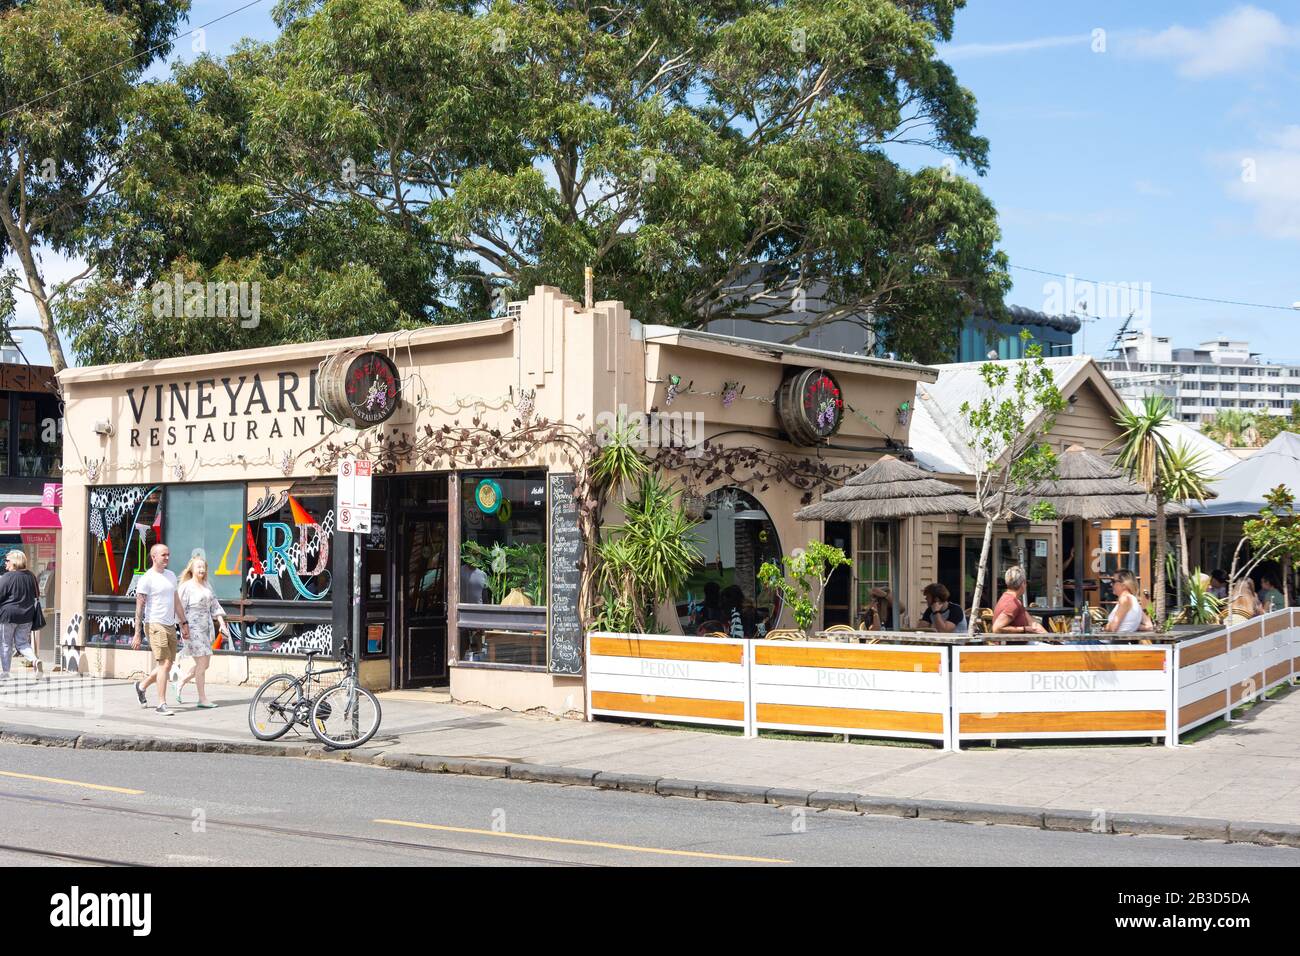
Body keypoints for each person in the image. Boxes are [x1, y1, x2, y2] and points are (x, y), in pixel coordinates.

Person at [132, 542, 190, 715]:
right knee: (164, 663)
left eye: (168, 554)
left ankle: (141, 686)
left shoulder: (171, 576)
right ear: (153, 557)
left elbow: (176, 601)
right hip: (154, 624)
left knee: (168, 664)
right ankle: (161, 704)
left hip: (170, 624)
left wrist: (183, 623)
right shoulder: (146, 579)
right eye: (163, 555)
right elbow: (139, 608)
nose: (167, 558)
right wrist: (137, 633)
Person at [175, 555, 228, 708]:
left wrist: (222, 624)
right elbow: (179, 608)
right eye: (198, 566)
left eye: (203, 566)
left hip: (206, 627)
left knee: (204, 664)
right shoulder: (186, 586)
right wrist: (182, 626)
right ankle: (202, 698)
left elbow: (215, 606)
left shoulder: (206, 585)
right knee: (202, 662)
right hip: (192, 627)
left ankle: (180, 683)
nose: (202, 569)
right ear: (191, 569)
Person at [0, 550, 42, 680]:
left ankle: (6, 672)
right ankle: (35, 661)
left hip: (8, 616)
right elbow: (37, 594)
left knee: (6, 644)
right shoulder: (31, 576)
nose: (5, 563)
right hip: (27, 616)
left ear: (14, 562)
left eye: (7, 561)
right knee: (22, 643)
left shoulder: (7, 577)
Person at [992, 566, 1047, 635]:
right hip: (1013, 645)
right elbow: (996, 628)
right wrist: (1024, 629)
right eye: (1026, 582)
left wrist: (1050, 638)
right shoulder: (1012, 603)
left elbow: (1033, 624)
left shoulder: (1013, 600)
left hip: (1023, 643)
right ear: (1023, 584)